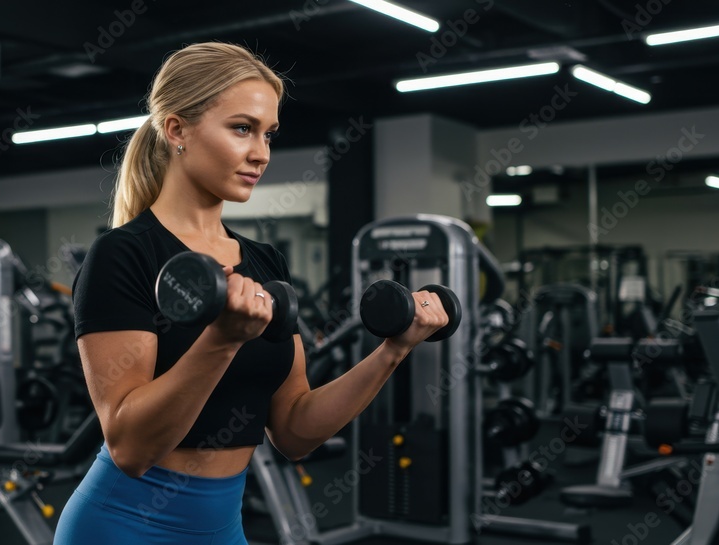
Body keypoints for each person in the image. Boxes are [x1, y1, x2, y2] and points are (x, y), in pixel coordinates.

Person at [55, 42, 449, 545]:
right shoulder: (123, 254)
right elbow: (130, 448)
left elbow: (294, 429)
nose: (261, 153)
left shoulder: (265, 262)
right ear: (177, 129)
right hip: (121, 525)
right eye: (242, 128)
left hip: (220, 527)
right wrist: (221, 340)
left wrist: (395, 349)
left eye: (268, 134)